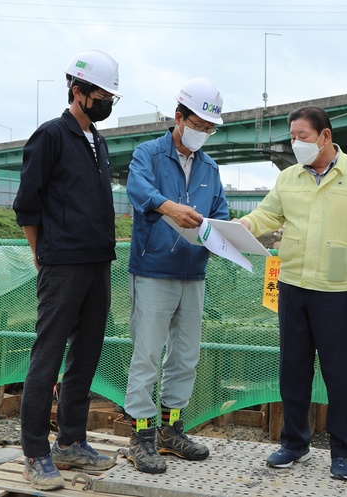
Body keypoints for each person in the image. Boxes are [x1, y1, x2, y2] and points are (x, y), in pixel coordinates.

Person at [239, 106, 347, 480]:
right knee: (293, 368)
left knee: (338, 372)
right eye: (292, 136)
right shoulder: (289, 178)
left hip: (337, 289)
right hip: (291, 284)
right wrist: (238, 226)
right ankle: (294, 443)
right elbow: (266, 216)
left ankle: (344, 451)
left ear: (325, 135)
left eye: (302, 136)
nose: (296, 142)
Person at [13, 49, 122, 491]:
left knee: (86, 352)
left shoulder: (98, 140)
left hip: (98, 263)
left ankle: (71, 441)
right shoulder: (52, 135)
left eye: (110, 94)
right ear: (77, 91)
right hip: (63, 264)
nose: (106, 100)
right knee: (48, 354)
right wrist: (43, 255)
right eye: (100, 93)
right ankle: (36, 452)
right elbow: (27, 204)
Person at [124, 77, 229, 474]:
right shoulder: (148, 154)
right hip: (153, 271)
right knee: (147, 355)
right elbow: (138, 190)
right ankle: (141, 437)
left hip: (193, 273)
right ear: (179, 117)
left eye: (209, 128)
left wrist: (231, 232)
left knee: (186, 356)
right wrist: (168, 207)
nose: (203, 133)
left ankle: (171, 430)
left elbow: (220, 212)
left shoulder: (210, 167)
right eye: (198, 124)